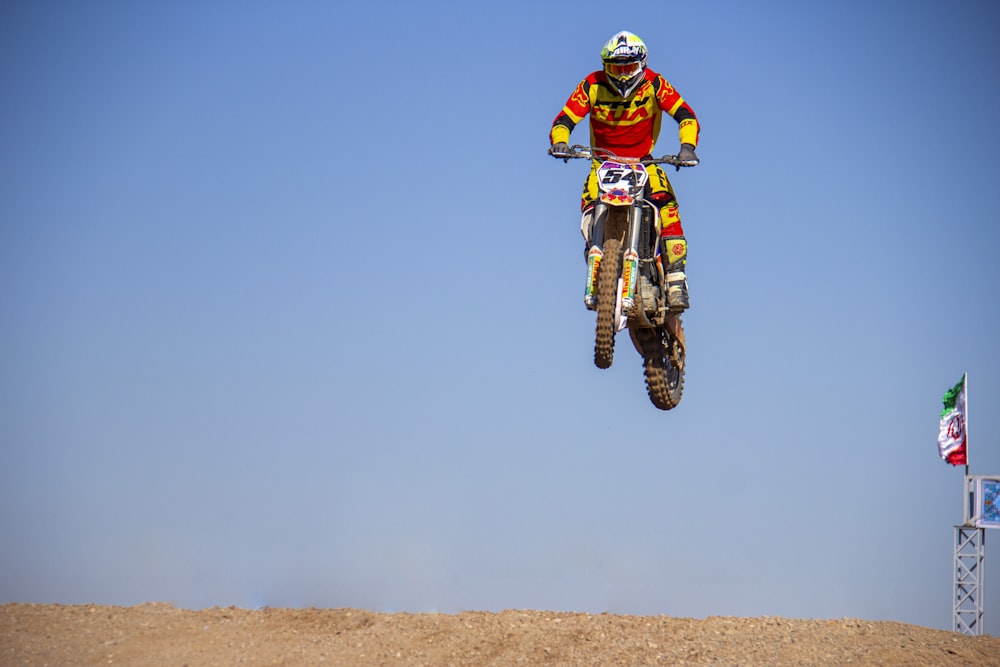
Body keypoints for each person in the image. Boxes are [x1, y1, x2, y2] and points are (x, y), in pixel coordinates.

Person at [549, 30, 700, 310]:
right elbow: (564, 119)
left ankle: (677, 277)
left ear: (641, 65)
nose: (621, 75)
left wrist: (687, 148)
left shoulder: (655, 84)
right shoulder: (592, 85)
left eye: (628, 67)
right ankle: (597, 260)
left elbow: (685, 115)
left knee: (666, 205)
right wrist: (560, 142)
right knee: (588, 205)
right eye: (615, 68)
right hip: (602, 162)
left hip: (643, 160)